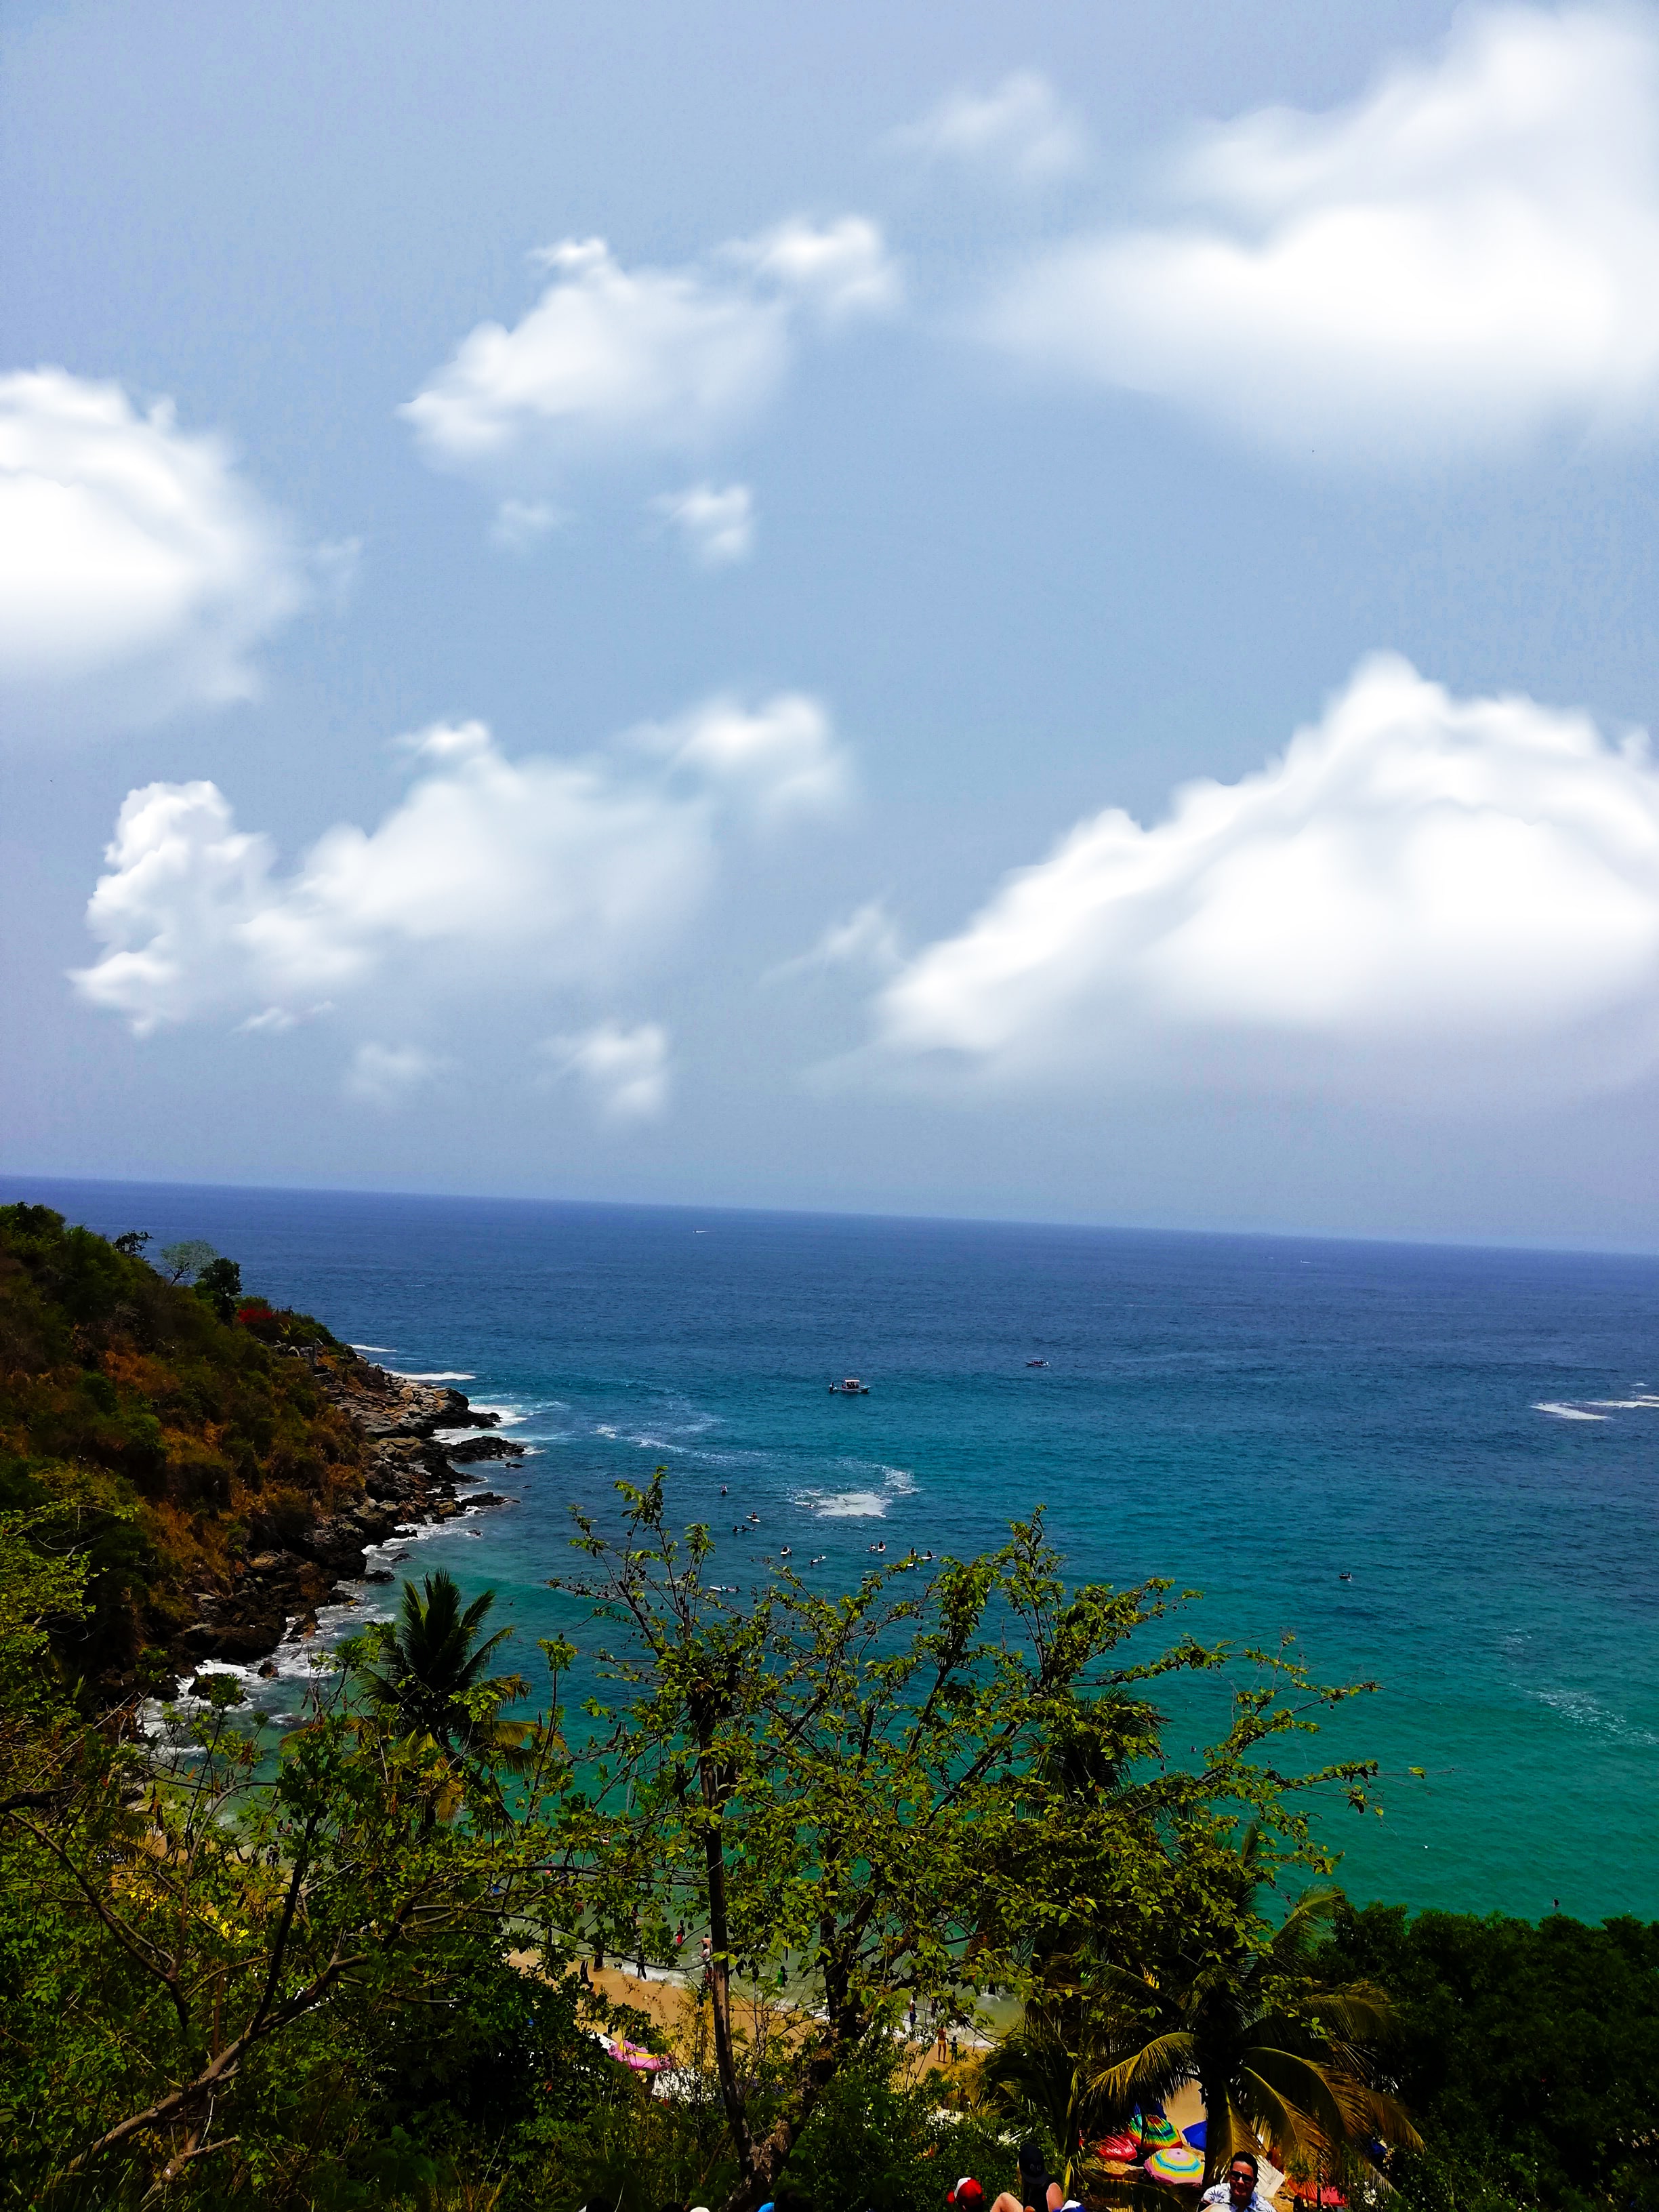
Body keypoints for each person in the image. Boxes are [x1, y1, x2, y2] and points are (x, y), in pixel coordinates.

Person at [1201, 2151, 1273, 2211]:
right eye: (1236, 2175)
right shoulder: (1213, 2196)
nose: (1240, 2182)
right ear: (1229, 2175)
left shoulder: (1265, 2209)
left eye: (1246, 2178)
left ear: (1255, 2182)